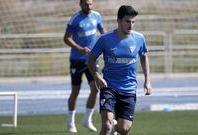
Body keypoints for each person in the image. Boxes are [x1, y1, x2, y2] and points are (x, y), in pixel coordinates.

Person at [87, 5, 152, 135]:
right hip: (108, 86)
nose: (131, 25)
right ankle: (111, 127)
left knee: (124, 129)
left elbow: (144, 57)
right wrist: (97, 77)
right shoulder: (105, 39)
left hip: (128, 88)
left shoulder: (139, 38)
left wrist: (147, 80)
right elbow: (90, 60)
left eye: (133, 22)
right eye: (127, 21)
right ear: (118, 21)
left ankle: (115, 129)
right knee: (107, 125)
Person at [63, 0, 105, 133]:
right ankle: (70, 121)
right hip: (77, 60)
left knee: (96, 88)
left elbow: (102, 31)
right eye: (86, 4)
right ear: (80, 4)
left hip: (92, 59)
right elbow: (66, 38)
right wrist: (79, 48)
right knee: (75, 91)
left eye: (91, 4)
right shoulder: (75, 19)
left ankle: (87, 119)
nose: (89, 6)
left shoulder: (96, 16)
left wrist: (105, 43)